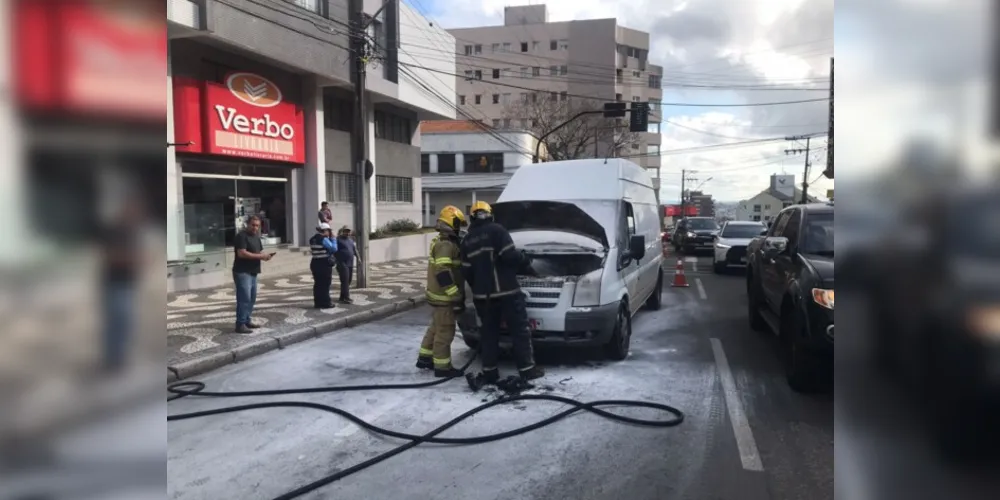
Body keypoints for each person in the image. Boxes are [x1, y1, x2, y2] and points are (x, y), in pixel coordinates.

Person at [460, 201, 544, 382]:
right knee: (519, 330)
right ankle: (527, 369)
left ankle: (490, 372)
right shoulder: (498, 230)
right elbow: (510, 256)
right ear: (490, 214)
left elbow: (466, 271)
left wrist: (479, 289)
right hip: (507, 292)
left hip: (483, 298)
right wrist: (525, 260)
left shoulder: (467, 240)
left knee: (488, 334)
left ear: (472, 217)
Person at [416, 206, 467, 377]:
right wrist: (454, 293)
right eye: (458, 224)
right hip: (444, 297)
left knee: (436, 327)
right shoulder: (446, 244)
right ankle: (442, 367)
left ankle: (425, 358)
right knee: (445, 331)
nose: (459, 228)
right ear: (451, 222)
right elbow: (442, 271)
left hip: (438, 295)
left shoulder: (441, 241)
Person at [233, 215, 274, 333]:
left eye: (257, 226)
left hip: (253, 271)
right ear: (248, 224)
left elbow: (259, 251)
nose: (255, 228)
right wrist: (261, 256)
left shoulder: (256, 237)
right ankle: (240, 324)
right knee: (244, 297)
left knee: (251, 297)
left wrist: (265, 256)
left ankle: (246, 320)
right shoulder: (241, 236)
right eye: (253, 225)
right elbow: (242, 253)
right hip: (242, 271)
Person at [309, 223, 337, 309]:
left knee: (318, 284)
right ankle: (326, 302)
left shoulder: (312, 239)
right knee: (325, 284)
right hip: (324, 264)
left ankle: (318, 302)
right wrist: (333, 239)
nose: (329, 232)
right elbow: (334, 248)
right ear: (325, 231)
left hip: (315, 262)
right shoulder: (324, 239)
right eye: (329, 230)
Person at [334, 226, 360, 304]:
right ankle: (346, 297)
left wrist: (358, 258)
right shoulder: (338, 240)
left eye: (349, 231)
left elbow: (354, 250)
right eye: (346, 231)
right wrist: (334, 260)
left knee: (348, 280)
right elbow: (333, 250)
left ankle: (342, 297)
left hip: (350, 263)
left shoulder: (351, 240)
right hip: (342, 263)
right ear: (343, 231)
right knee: (345, 280)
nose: (347, 233)